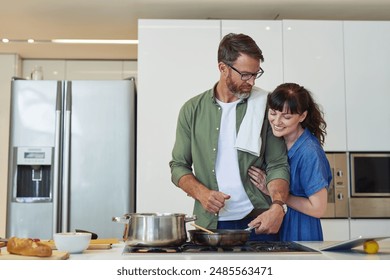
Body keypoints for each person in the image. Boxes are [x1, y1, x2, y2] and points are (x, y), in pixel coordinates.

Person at [169, 33, 290, 241]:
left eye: (255, 74)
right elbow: (178, 165)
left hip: (260, 220)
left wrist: (278, 206)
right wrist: (201, 193)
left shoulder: (265, 106)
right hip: (209, 225)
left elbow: (278, 164)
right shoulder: (192, 110)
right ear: (223, 68)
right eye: (245, 75)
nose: (251, 82)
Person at [248, 82, 332, 241]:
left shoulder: (309, 152)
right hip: (279, 228)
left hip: (301, 232)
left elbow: (318, 209)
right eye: (273, 113)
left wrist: (273, 192)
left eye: (286, 117)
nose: (277, 121)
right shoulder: (275, 143)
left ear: (302, 116)